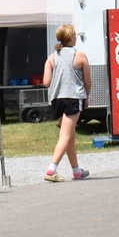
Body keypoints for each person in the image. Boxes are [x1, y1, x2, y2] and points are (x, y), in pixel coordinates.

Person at [43, 23, 92, 182]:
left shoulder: (52, 57)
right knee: (65, 135)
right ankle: (51, 169)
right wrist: (86, 95)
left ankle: (76, 170)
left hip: (56, 98)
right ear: (71, 37)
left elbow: (46, 82)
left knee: (69, 135)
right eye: (75, 35)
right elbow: (87, 81)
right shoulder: (80, 56)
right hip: (73, 97)